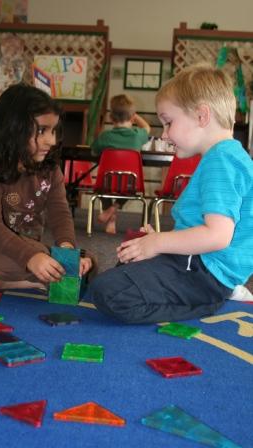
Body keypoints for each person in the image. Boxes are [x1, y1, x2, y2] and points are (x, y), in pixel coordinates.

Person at [88, 65, 253, 324]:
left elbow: (218, 236)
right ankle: (213, 294)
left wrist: (159, 243)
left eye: (168, 122)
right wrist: (162, 241)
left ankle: (208, 304)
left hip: (204, 272)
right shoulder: (226, 156)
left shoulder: (221, 161)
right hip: (200, 265)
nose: (164, 134)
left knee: (108, 292)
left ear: (201, 116)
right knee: (128, 262)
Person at [0, 84, 93, 289]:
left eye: (54, 131)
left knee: (88, 260)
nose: (51, 140)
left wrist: (67, 249)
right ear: (14, 130)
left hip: (31, 249)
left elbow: (60, 212)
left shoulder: (51, 170)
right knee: (28, 259)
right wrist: (31, 257)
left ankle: (7, 282)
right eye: (42, 131)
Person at [91, 94, 150, 234]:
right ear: (132, 118)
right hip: (131, 184)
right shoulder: (137, 135)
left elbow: (94, 151)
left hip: (107, 182)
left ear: (111, 118)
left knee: (103, 186)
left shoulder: (105, 136)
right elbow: (147, 127)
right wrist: (135, 116)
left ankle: (110, 211)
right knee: (128, 185)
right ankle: (114, 208)